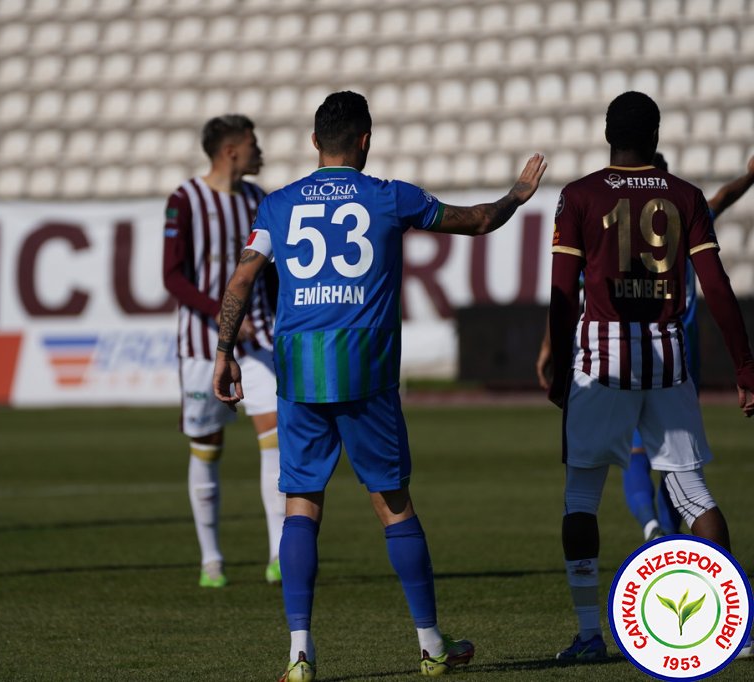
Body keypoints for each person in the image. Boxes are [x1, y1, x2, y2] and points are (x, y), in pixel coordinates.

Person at [213, 91, 546, 679]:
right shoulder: (393, 197)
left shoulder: (278, 206)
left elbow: (243, 277)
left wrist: (224, 352)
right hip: (365, 368)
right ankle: (430, 645)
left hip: (298, 369)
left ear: (315, 142)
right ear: (365, 139)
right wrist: (516, 195)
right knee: (393, 504)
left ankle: (299, 653)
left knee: (301, 503)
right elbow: (477, 221)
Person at [547, 91, 754, 662]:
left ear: (607, 134)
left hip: (601, 360)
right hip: (667, 358)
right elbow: (715, 289)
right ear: (657, 136)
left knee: (581, 498)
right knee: (692, 492)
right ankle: (736, 630)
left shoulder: (579, 195)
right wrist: (745, 364)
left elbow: (564, 294)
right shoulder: (684, 195)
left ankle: (590, 635)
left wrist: (557, 365)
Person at [537, 153, 754, 543]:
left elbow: (567, 293)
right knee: (685, 476)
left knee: (622, 466)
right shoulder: (685, 206)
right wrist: (750, 177)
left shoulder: (598, 220)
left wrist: (552, 348)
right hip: (675, 354)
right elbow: (722, 200)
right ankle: (680, 546)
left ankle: (652, 531)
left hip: (612, 354)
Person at [163, 114, 286, 588]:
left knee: (276, 437)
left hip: (258, 343)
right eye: (254, 144)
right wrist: (222, 312)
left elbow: (271, 276)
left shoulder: (260, 201)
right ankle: (211, 559)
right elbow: (173, 276)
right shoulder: (186, 200)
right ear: (231, 151)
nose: (261, 152)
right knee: (207, 448)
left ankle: (278, 554)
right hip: (201, 347)